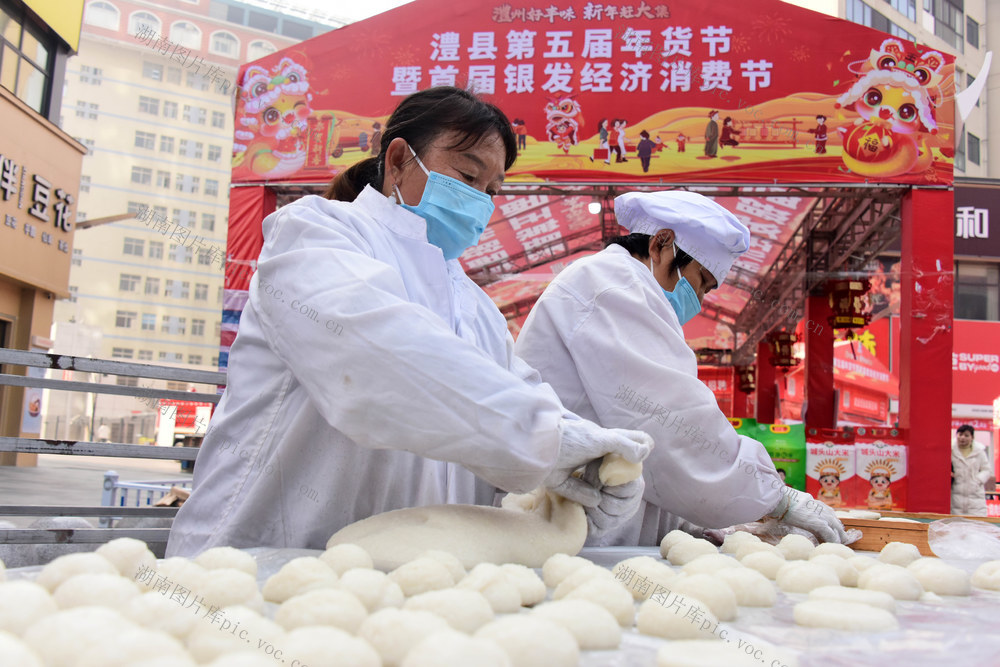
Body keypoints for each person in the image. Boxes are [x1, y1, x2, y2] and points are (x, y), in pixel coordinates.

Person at [166, 87, 653, 557]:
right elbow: (371, 355)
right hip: (259, 559)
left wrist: (588, 467)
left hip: (402, 587)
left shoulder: (473, 304)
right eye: (467, 176)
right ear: (398, 160)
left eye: (492, 191)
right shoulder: (315, 235)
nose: (480, 202)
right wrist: (545, 439)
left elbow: (516, 393)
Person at [515, 191, 848, 546]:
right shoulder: (611, 286)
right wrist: (773, 496)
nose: (700, 301)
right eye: (700, 281)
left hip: (589, 526)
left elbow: (644, 447)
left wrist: (689, 524)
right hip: (565, 525)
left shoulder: (624, 287)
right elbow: (669, 426)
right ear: (662, 243)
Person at [951, 424, 991, 516]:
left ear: (972, 437)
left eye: (966, 435)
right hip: (955, 496)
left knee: (976, 525)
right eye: (960, 434)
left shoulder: (979, 451)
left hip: (975, 496)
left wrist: (977, 480)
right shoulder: (950, 450)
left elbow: (986, 470)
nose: (962, 438)